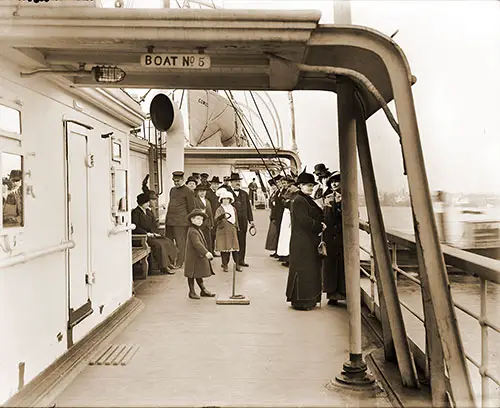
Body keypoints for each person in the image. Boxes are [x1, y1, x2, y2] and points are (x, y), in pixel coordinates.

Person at [286, 168, 325, 311]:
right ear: (300, 186)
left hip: (307, 240)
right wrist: (319, 225)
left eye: (311, 186)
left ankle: (310, 299)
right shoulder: (299, 200)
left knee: (309, 270)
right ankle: (302, 301)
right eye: (307, 185)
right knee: (304, 270)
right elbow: (303, 220)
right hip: (302, 242)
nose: (310, 187)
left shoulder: (306, 199)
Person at [132, 193, 177, 275]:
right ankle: (164, 267)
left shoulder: (148, 211)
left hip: (152, 234)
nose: (148, 204)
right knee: (159, 245)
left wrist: (155, 233)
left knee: (167, 241)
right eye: (146, 202)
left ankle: (169, 263)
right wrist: (147, 233)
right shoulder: (136, 212)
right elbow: (136, 227)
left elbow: (153, 224)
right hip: (143, 237)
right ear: (141, 203)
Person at [322, 172, 346, 304]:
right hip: (331, 237)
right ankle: (332, 295)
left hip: (343, 237)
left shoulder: (348, 198)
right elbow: (326, 217)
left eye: (337, 181)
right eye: (332, 182)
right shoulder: (328, 198)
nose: (334, 184)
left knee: (342, 266)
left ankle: (343, 292)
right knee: (331, 266)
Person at [165, 171, 195, 269]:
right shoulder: (172, 190)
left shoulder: (189, 191)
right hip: (170, 220)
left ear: (183, 180)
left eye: (178, 181)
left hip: (181, 222)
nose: (176, 183)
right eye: (174, 181)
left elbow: (191, 209)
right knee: (168, 242)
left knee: (180, 243)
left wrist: (191, 222)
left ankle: (179, 262)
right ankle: (169, 261)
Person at [184, 208, 216, 299]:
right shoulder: (192, 230)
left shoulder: (196, 229)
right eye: (198, 219)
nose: (200, 221)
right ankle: (192, 291)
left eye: (201, 219)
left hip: (197, 255)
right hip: (193, 256)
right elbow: (197, 244)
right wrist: (206, 252)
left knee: (197, 273)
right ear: (192, 219)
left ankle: (203, 290)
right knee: (191, 274)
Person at [227, 172, 254, 268]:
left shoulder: (244, 194)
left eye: (238, 181)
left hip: (243, 222)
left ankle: (241, 260)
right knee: (234, 241)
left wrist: (251, 220)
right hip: (233, 222)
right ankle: (236, 261)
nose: (237, 183)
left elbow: (248, 208)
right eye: (235, 181)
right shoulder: (227, 194)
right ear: (231, 183)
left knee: (242, 241)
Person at [214, 189, 242, 272]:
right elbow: (216, 220)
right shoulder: (219, 209)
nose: (226, 200)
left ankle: (237, 264)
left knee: (235, 249)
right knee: (224, 249)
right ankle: (225, 265)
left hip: (232, 231)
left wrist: (237, 227)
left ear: (230, 200)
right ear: (221, 200)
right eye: (224, 199)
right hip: (223, 231)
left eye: (227, 199)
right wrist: (221, 217)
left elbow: (236, 219)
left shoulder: (233, 209)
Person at [276, 177, 299, 267]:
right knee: (285, 237)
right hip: (286, 215)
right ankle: (286, 256)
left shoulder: (295, 194)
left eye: (290, 185)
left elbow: (288, 203)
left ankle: (289, 258)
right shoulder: (289, 192)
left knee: (288, 236)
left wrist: (286, 201)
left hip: (290, 215)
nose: (289, 187)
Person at [193, 182, 214, 252]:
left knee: (208, 240)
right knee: (200, 240)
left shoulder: (208, 201)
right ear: (198, 192)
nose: (202, 193)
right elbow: (194, 211)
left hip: (207, 224)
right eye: (200, 191)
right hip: (199, 223)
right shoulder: (195, 200)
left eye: (204, 191)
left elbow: (210, 213)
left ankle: (208, 255)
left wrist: (211, 223)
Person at [265, 178, 279, 257]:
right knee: (273, 234)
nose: (273, 187)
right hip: (273, 214)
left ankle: (277, 250)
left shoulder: (277, 193)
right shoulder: (274, 193)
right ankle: (275, 250)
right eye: (272, 186)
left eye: (274, 185)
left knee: (276, 233)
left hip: (276, 215)